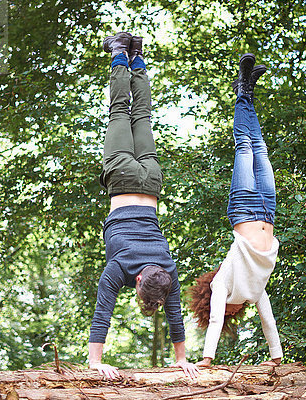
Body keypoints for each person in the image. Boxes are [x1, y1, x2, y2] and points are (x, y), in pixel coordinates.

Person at [88, 32, 199, 379]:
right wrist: (94, 362)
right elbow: (102, 312)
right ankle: (120, 51)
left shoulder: (168, 269)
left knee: (143, 116)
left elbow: (176, 315)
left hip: (151, 180)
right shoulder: (120, 267)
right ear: (138, 282)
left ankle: (137, 55)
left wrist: (182, 359)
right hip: (121, 177)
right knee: (120, 110)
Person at [189, 53, 283, 368]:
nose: (228, 312)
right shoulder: (255, 292)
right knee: (260, 147)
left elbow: (215, 321)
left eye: (222, 310)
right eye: (232, 314)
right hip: (268, 212)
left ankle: (242, 92)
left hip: (243, 210)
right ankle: (248, 93)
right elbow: (268, 321)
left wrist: (206, 359)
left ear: (208, 301)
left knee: (244, 145)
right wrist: (276, 358)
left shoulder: (221, 285)